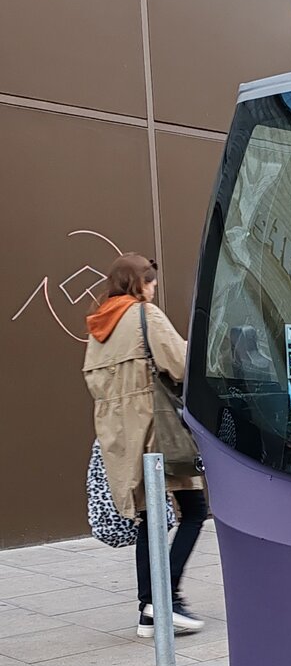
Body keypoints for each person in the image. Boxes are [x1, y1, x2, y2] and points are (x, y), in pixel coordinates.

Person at [83, 254, 206, 636]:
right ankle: (166, 599)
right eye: (150, 282)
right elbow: (181, 365)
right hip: (156, 428)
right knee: (195, 510)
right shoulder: (144, 315)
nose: (153, 289)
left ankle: (148, 610)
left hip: (119, 434)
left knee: (148, 520)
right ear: (138, 284)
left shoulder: (97, 328)